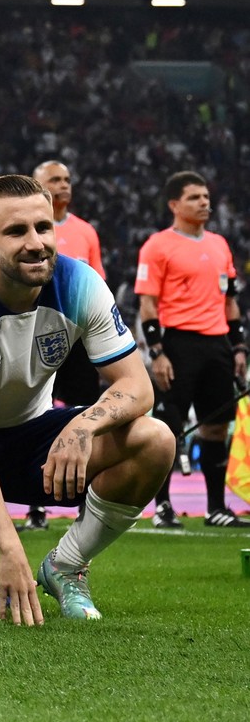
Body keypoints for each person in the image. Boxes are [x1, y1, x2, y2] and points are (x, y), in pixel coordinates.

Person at [0, 174, 173, 622]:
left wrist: (83, 426)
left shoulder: (80, 283)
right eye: (16, 231)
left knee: (154, 439)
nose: (35, 243)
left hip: (32, 436)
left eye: (43, 228)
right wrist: (9, 548)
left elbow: (138, 386)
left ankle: (66, 565)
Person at [135, 170, 250, 528]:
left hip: (217, 344)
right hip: (178, 344)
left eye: (205, 196)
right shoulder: (157, 245)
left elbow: (230, 301)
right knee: (168, 428)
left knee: (216, 427)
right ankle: (163, 507)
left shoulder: (219, 245)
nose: (205, 202)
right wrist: (157, 352)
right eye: (194, 197)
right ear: (174, 204)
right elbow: (148, 304)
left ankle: (216, 508)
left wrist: (239, 347)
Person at [22, 159, 107, 530]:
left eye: (67, 179)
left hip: (77, 338)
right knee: (32, 414)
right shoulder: (23, 231)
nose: (63, 185)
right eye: (54, 180)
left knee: (84, 411)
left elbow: (96, 283)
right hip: (30, 336)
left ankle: (83, 497)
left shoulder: (86, 231)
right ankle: (33, 502)